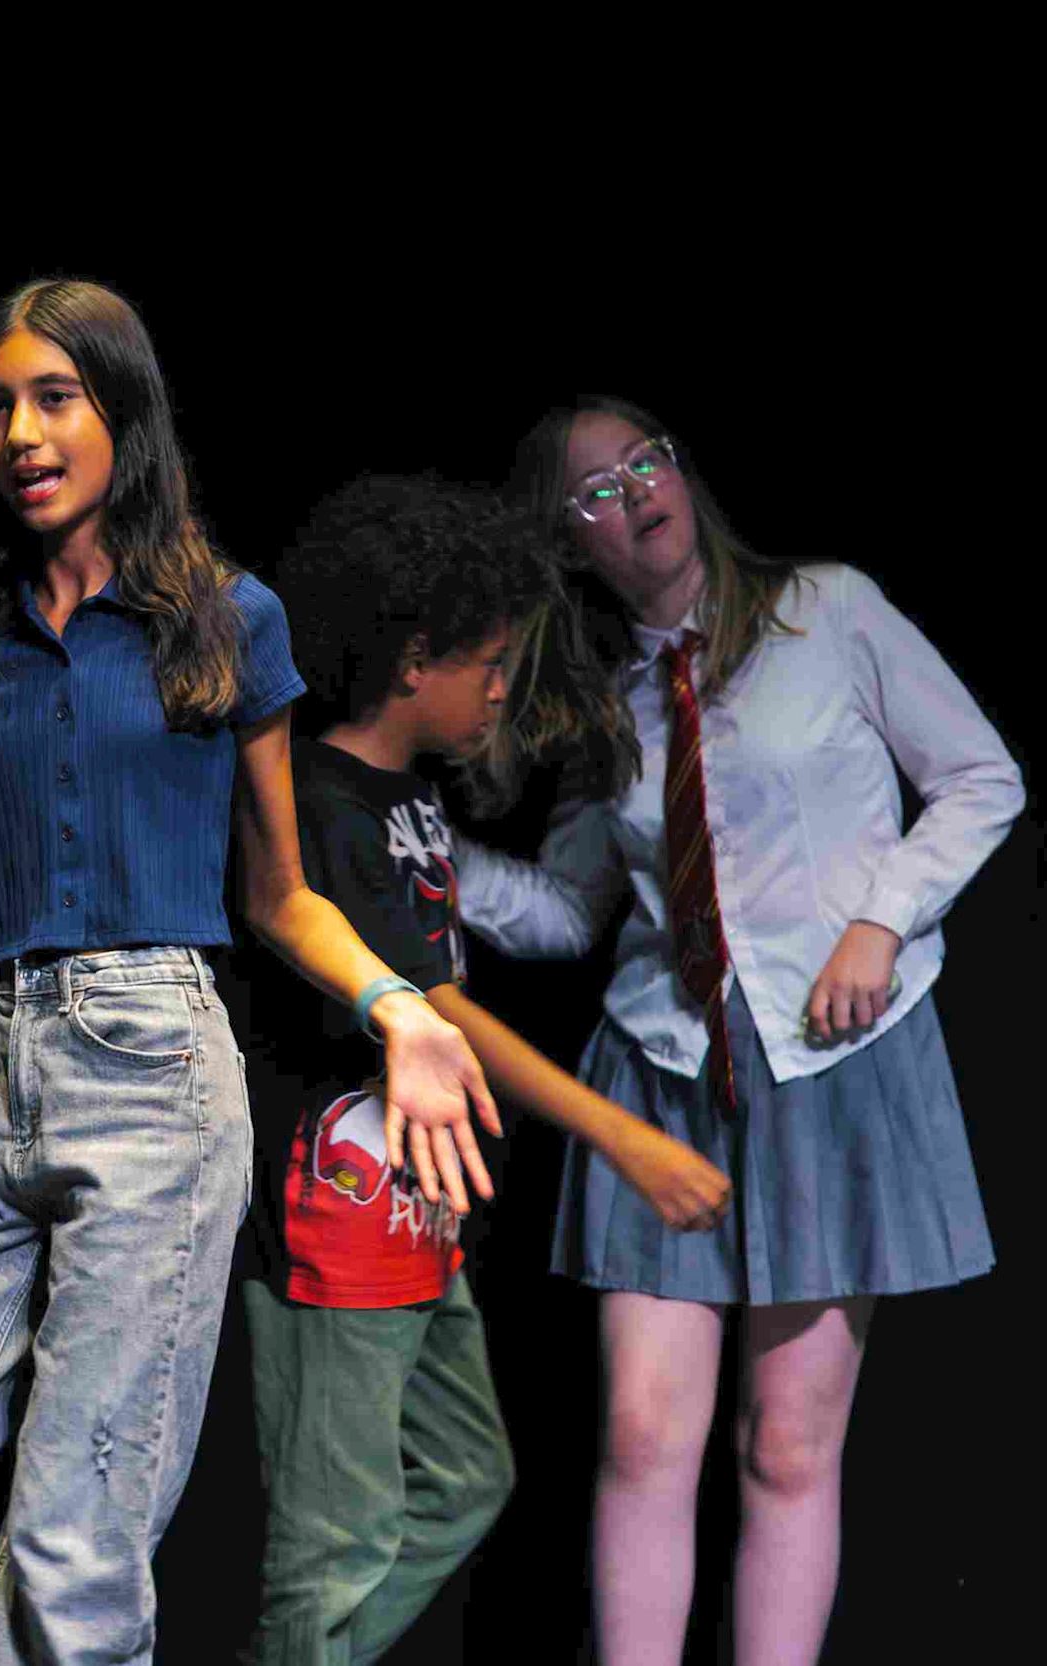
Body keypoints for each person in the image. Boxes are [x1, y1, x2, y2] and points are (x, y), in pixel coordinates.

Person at [0, 277, 501, 1664]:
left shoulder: (224, 617)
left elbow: (278, 894)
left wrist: (394, 1003)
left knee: (69, 1552)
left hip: (155, 1071)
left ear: (123, 413)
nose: (21, 432)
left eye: (55, 397)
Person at [453, 397, 1022, 1664]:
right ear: (566, 540)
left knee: (785, 1442)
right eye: (596, 489)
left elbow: (983, 777)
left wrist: (879, 922)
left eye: (645, 461)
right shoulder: (610, 703)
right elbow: (566, 911)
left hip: (834, 1069)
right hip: (662, 1071)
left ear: (685, 471)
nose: (635, 492)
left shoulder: (832, 611)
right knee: (645, 1436)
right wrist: (423, 859)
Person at [234, 475, 731, 1664]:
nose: (501, 687)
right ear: (416, 659)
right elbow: (444, 1012)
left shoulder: (408, 801)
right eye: (490, 661)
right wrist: (624, 1134)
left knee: (464, 1478)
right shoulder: (316, 800)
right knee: (332, 1539)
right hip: (332, 1219)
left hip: (421, 1210)